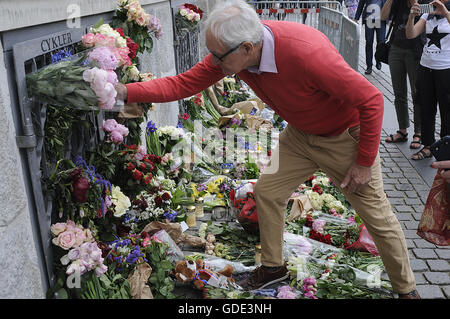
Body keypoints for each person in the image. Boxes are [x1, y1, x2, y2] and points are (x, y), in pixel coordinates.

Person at [115, 0, 419, 298]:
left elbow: (372, 100)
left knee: (377, 216)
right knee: (268, 192)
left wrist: (364, 161)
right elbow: (182, 84)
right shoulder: (235, 52)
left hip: (345, 139)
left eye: (217, 56)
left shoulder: (305, 53)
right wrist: (125, 91)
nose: (213, 62)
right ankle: (274, 269)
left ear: (247, 48)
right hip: (300, 136)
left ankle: (407, 291)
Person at [406, 0, 450, 160]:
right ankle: (428, 146)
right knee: (426, 108)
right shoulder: (428, 14)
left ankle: (446, 148)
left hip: (446, 69)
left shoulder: (446, 13)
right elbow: (410, 34)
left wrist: (445, 12)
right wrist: (411, 17)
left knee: (447, 110)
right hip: (426, 67)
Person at [381, 0, 425, 150]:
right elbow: (383, 16)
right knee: (399, 93)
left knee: (416, 93)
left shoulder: (424, 3)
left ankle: (418, 133)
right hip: (396, 48)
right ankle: (402, 130)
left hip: (416, 50)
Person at [355, 0, 388, 74]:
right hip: (369, 19)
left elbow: (389, 3)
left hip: (381, 20)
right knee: (369, 42)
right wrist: (356, 18)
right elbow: (361, 4)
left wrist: (391, 18)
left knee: (381, 42)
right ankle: (369, 66)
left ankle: (378, 59)